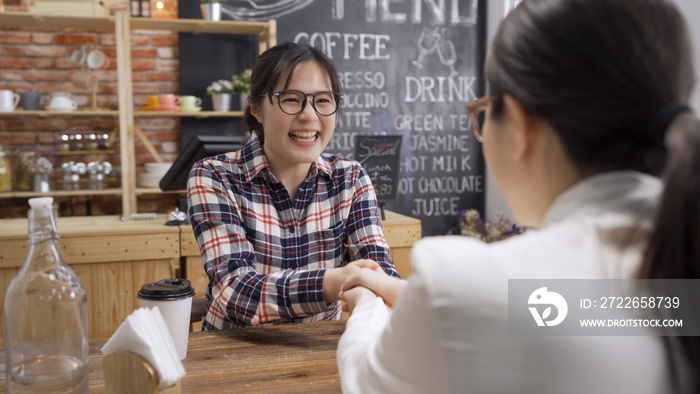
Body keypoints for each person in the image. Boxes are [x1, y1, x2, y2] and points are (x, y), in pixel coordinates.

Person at [336, 0, 699, 392]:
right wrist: (397, 291)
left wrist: (366, 304)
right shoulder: (673, 267)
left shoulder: (460, 283)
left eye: (484, 112)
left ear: (520, 124)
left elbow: (364, 376)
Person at [187, 42, 400, 330]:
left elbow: (379, 271)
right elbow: (234, 290)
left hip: (318, 353)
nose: (309, 115)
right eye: (290, 99)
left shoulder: (350, 178)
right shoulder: (214, 176)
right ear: (256, 109)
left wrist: (372, 285)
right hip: (232, 355)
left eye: (323, 101)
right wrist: (332, 283)